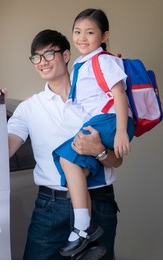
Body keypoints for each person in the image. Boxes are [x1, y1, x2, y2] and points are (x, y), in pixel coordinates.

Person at [0, 29, 122, 260]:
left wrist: (99, 151)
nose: (42, 62)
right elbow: (1, 152)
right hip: (50, 207)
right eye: (36, 58)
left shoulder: (96, 100)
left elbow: (117, 160)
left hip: (99, 203)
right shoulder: (29, 108)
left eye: (48, 54)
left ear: (66, 55)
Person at [53, 8, 134, 257]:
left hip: (110, 120)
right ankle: (87, 235)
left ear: (104, 35)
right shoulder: (80, 63)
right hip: (101, 121)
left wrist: (121, 131)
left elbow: (119, 93)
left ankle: (82, 228)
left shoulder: (104, 60)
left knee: (67, 158)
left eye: (90, 32)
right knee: (76, 170)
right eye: (77, 32)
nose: (82, 38)